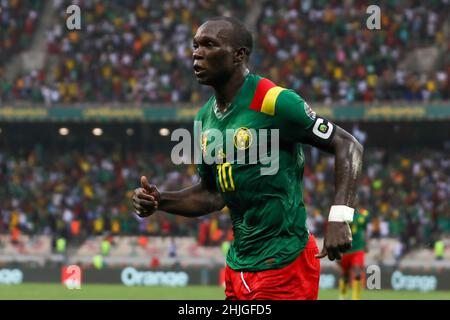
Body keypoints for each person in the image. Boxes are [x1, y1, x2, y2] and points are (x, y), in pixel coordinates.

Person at [132, 16, 364, 300]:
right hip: (238, 265)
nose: (197, 52)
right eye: (195, 45)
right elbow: (213, 195)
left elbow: (348, 145)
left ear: (238, 55)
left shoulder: (274, 100)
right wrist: (160, 200)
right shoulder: (203, 120)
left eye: (209, 45)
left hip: (284, 263)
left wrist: (340, 217)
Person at [337, 208, 370, 300]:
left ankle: (356, 297)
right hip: (346, 249)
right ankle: (343, 295)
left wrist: (366, 244)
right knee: (345, 274)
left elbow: (365, 230)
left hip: (358, 249)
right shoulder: (343, 217)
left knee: (357, 270)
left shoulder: (363, 216)